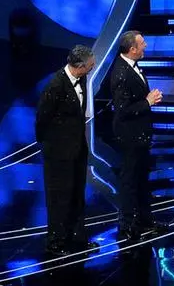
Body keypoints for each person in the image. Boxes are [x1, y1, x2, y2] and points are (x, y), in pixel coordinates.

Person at [35, 45, 100, 256]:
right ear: (79, 66)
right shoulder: (55, 85)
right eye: (90, 65)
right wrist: (52, 146)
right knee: (59, 199)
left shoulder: (82, 79)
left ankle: (78, 239)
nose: (93, 67)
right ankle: (55, 243)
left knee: (77, 196)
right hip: (58, 154)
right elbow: (42, 120)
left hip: (77, 150)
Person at [110, 30, 166, 241]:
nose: (146, 46)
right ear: (132, 49)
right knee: (130, 181)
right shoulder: (121, 73)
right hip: (130, 136)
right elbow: (123, 109)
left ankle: (145, 220)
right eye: (142, 43)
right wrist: (147, 102)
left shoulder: (132, 66)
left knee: (141, 179)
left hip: (140, 134)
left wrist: (148, 100)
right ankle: (126, 226)